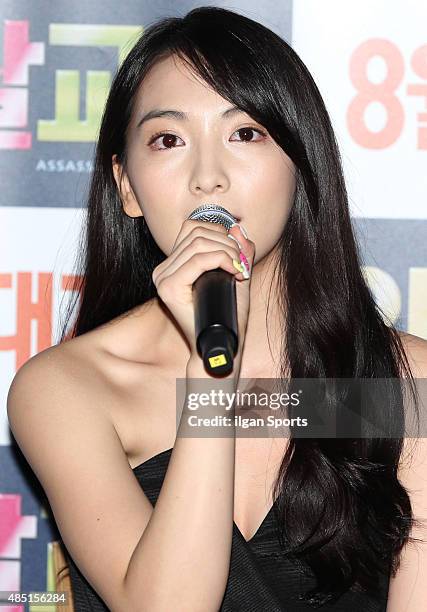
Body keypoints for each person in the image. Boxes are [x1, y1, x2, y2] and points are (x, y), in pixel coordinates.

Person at [6, 6, 427, 611]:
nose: (209, 178)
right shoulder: (71, 388)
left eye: (245, 133)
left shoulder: (400, 385)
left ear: (301, 165)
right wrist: (212, 374)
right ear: (126, 187)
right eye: (169, 140)